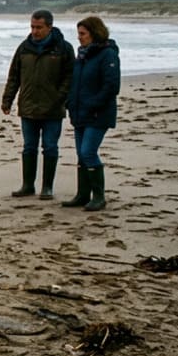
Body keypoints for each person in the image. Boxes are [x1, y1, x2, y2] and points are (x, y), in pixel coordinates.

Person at [2, 10, 74, 199]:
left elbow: (69, 77)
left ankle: (47, 187)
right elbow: (14, 76)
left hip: (53, 108)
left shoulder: (63, 48)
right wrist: (7, 99)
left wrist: (60, 98)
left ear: (49, 27)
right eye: (32, 27)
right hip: (28, 106)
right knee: (29, 147)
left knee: (50, 147)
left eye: (39, 27)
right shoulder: (24, 47)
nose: (35, 31)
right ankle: (27, 185)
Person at [61, 16, 120, 211]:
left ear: (94, 33)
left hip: (97, 113)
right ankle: (82, 194)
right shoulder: (82, 56)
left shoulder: (108, 55)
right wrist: (70, 102)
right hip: (79, 112)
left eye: (83, 34)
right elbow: (75, 82)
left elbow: (111, 86)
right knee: (81, 154)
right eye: (78, 34)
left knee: (88, 152)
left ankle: (99, 196)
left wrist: (94, 105)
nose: (79, 38)